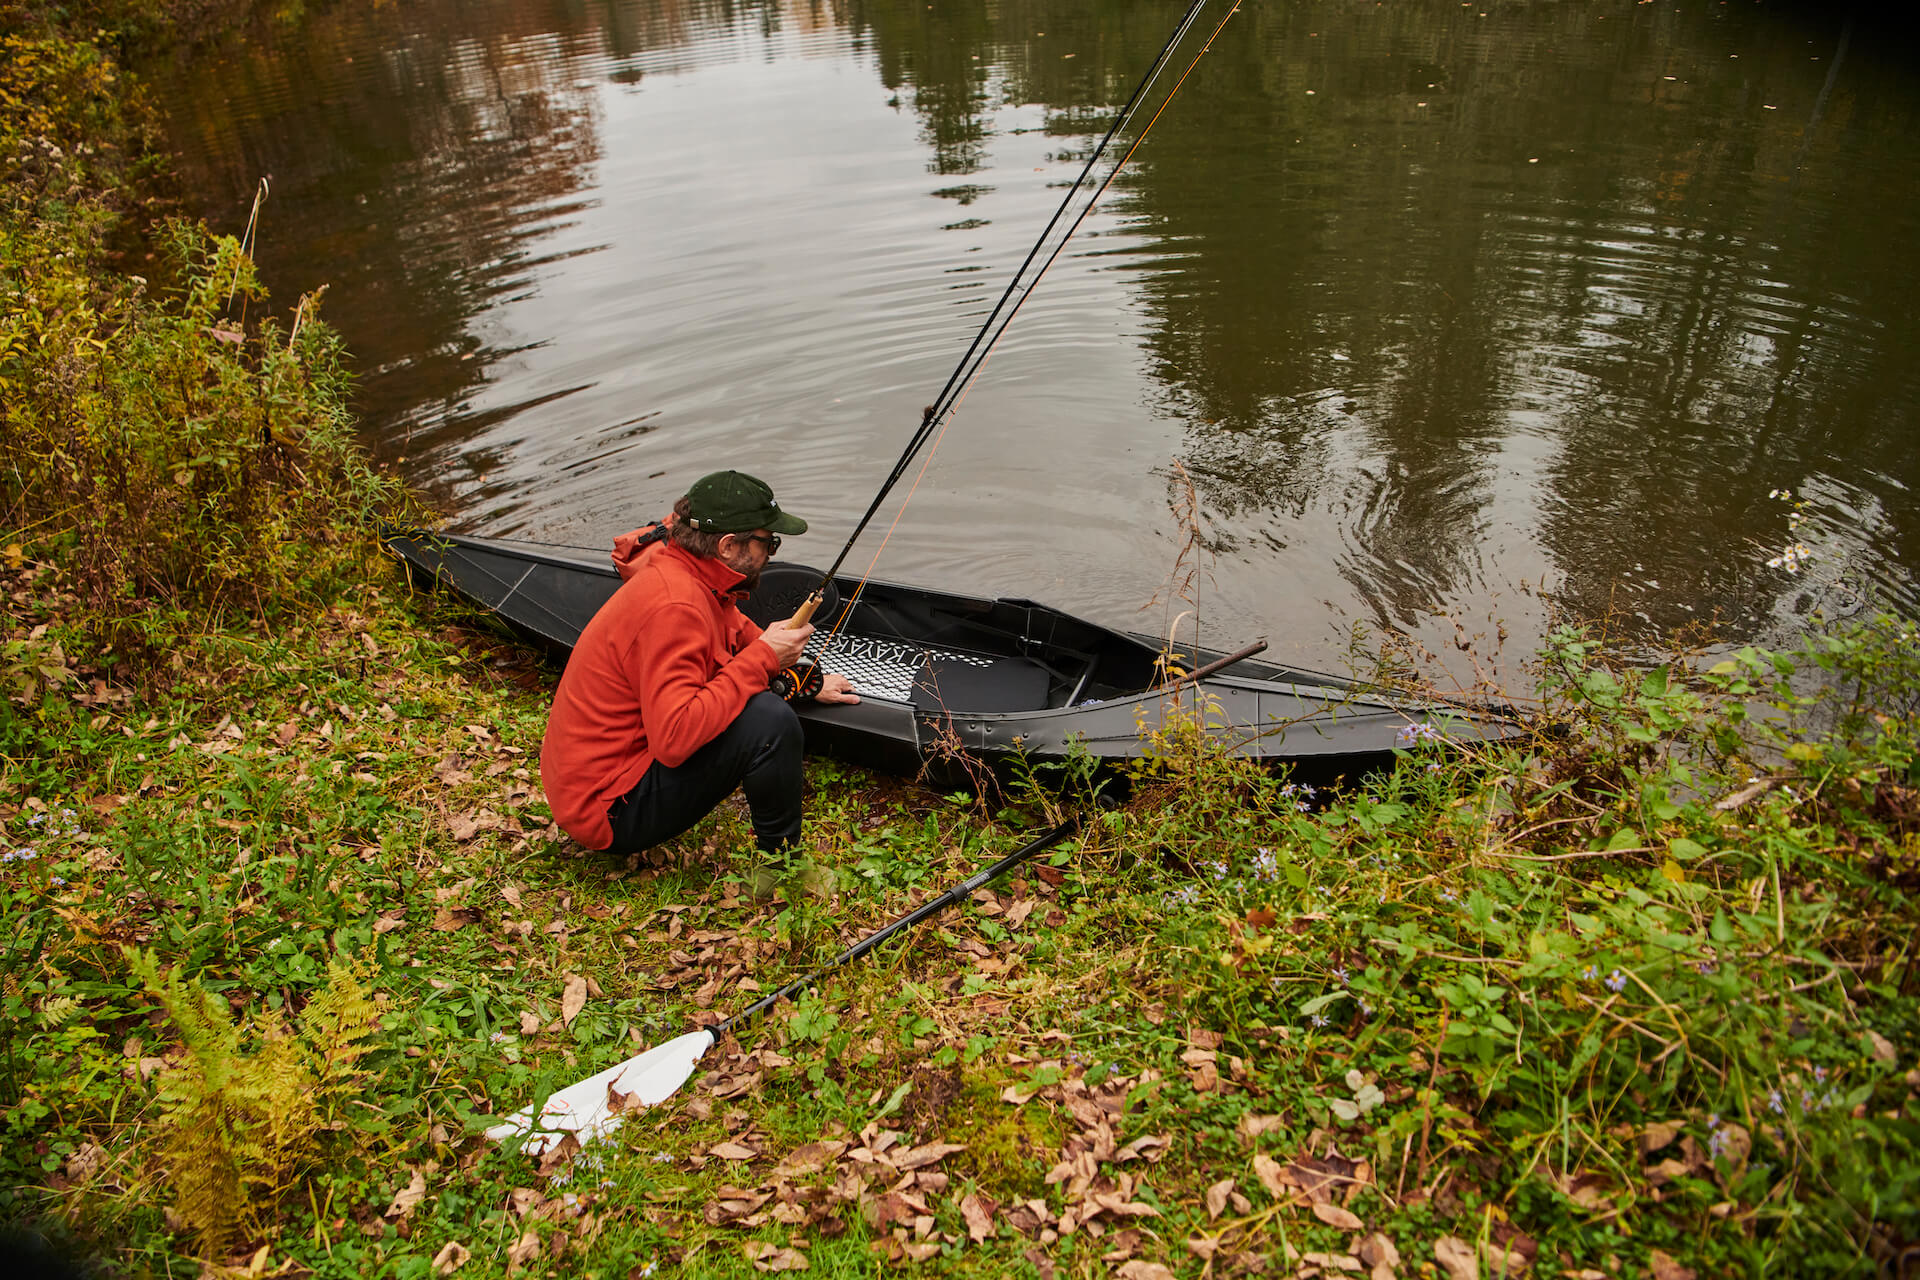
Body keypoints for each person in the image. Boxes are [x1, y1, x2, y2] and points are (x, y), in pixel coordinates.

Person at [538, 471, 858, 867]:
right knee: (769, 722)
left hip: (591, 782)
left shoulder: (685, 569)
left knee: (758, 697)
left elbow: (735, 627)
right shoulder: (676, 607)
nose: (771, 553)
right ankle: (784, 869)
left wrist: (797, 675)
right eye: (768, 542)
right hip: (608, 810)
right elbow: (674, 741)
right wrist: (764, 660)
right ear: (727, 545)